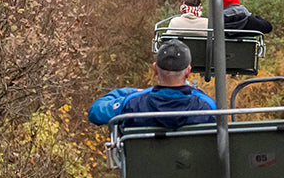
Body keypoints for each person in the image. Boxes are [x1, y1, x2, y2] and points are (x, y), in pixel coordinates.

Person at [88, 39, 217, 130]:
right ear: (188, 72)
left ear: (155, 69)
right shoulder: (207, 106)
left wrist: (132, 92)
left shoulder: (132, 104)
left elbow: (95, 112)